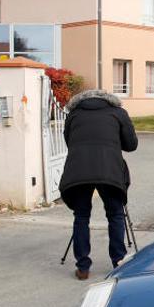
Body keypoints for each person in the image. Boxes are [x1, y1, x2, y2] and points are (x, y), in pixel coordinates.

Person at [59, 90, 138, 280]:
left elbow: (69, 141)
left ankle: (83, 267)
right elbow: (131, 144)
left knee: (81, 216)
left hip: (79, 169)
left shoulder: (74, 115)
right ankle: (118, 260)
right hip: (109, 169)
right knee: (116, 214)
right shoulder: (118, 113)